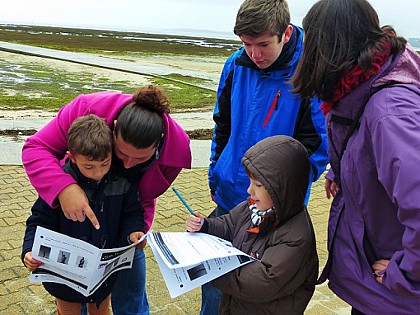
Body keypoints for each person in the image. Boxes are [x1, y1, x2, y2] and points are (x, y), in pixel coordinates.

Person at [291, 0, 420, 314]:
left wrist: (404, 273)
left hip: (395, 294)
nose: (305, 56)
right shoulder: (363, 85)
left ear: (331, 48)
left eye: (310, 45)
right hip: (382, 285)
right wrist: (345, 168)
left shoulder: (389, 114)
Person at [22, 85, 192, 314]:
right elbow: (36, 147)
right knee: (74, 300)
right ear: (113, 130)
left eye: (141, 158)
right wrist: (64, 188)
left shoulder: (176, 152)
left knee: (129, 293)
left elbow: (139, 201)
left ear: (159, 143)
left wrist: (136, 230)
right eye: (121, 154)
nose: (128, 164)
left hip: (117, 232)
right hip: (73, 236)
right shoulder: (84, 109)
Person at [206, 0, 328, 312]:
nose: (255, 54)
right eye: (247, 44)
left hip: (275, 208)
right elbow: (222, 125)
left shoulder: (309, 72)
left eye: (263, 44)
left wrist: (281, 195)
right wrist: (214, 173)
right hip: (229, 197)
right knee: (214, 285)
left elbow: (317, 144)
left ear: (286, 33)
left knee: (260, 291)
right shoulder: (235, 65)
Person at [22, 114, 146, 315]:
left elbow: (132, 213)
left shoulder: (122, 182)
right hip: (65, 276)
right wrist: (29, 251)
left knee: (101, 310)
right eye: (88, 166)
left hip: (103, 273)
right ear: (72, 157)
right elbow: (38, 221)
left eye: (104, 164)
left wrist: (134, 231)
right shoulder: (60, 185)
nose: (97, 173)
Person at [187, 135, 318, 314]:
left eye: (258, 185)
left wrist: (211, 272)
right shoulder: (254, 208)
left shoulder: (295, 236)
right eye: (250, 182)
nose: (249, 190)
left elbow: (262, 282)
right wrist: (206, 225)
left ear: (282, 190)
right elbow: (228, 225)